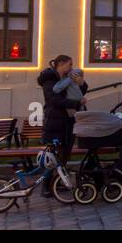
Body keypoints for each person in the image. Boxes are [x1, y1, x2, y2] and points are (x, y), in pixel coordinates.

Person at [37, 55, 89, 194]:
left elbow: (79, 91)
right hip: (55, 120)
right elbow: (53, 99)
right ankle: (45, 186)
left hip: (68, 120)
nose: (71, 67)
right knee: (53, 156)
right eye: (69, 64)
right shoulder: (49, 78)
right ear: (61, 64)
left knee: (65, 153)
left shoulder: (67, 77)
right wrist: (76, 104)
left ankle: (57, 182)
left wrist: (81, 82)